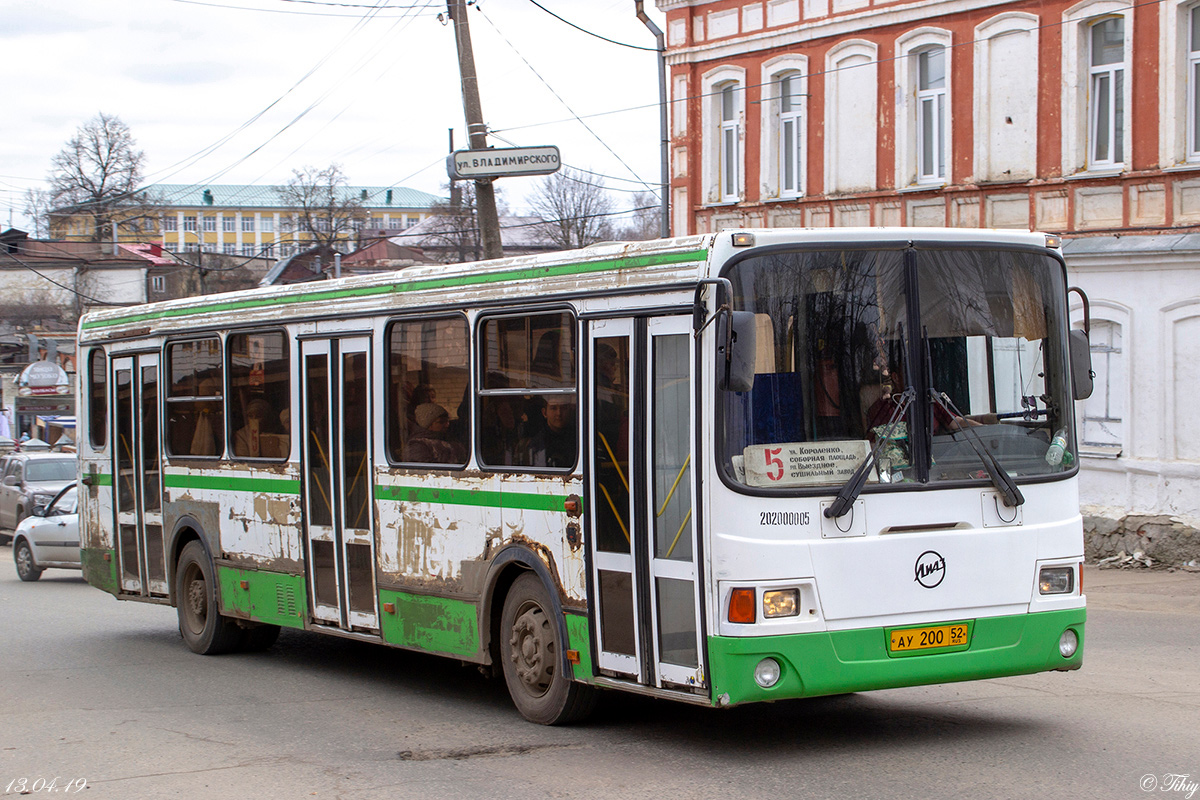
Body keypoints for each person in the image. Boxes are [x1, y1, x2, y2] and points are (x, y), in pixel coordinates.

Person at [530, 396, 576, 468]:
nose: (559, 413)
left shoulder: (579, 438)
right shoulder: (537, 444)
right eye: (553, 408)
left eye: (563, 408)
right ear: (544, 413)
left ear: (569, 410)